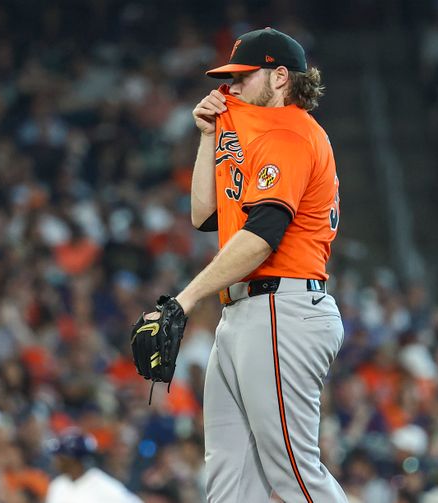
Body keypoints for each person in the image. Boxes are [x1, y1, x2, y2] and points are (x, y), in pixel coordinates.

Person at [145, 27, 344, 502]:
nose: (229, 88)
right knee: (228, 481)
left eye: (241, 77)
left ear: (279, 78)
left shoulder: (291, 133)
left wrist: (185, 300)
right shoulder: (255, 136)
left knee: (293, 475)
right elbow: (204, 215)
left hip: (281, 309)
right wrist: (209, 136)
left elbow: (261, 237)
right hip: (247, 314)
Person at [45, 430, 142, 503]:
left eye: (60, 458)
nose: (55, 462)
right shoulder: (57, 485)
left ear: (73, 461)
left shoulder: (103, 486)